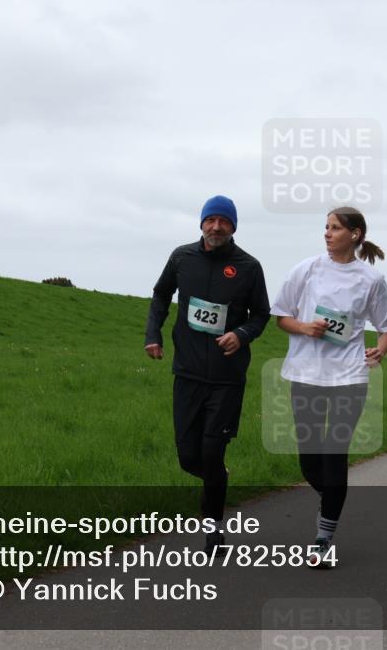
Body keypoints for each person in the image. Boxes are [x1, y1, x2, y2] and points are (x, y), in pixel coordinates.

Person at [144, 195, 271, 551]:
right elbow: (160, 295)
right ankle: (217, 481)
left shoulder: (248, 266)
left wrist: (240, 334)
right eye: (210, 220)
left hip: (227, 377)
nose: (216, 227)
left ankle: (214, 527)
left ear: (233, 227)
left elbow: (261, 315)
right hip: (187, 373)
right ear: (201, 223)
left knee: (212, 452)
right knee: (189, 457)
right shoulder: (182, 257)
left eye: (224, 222)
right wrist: (152, 335)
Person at [270, 206, 387, 568]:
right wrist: (305, 327)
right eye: (325, 227)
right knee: (310, 462)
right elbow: (280, 316)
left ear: (355, 234)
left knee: (334, 453)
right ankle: (333, 499)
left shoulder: (371, 280)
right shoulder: (306, 270)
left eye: (335, 228)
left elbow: (386, 330)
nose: (327, 233)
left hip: (349, 376)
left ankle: (323, 539)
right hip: (307, 373)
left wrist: (379, 351)